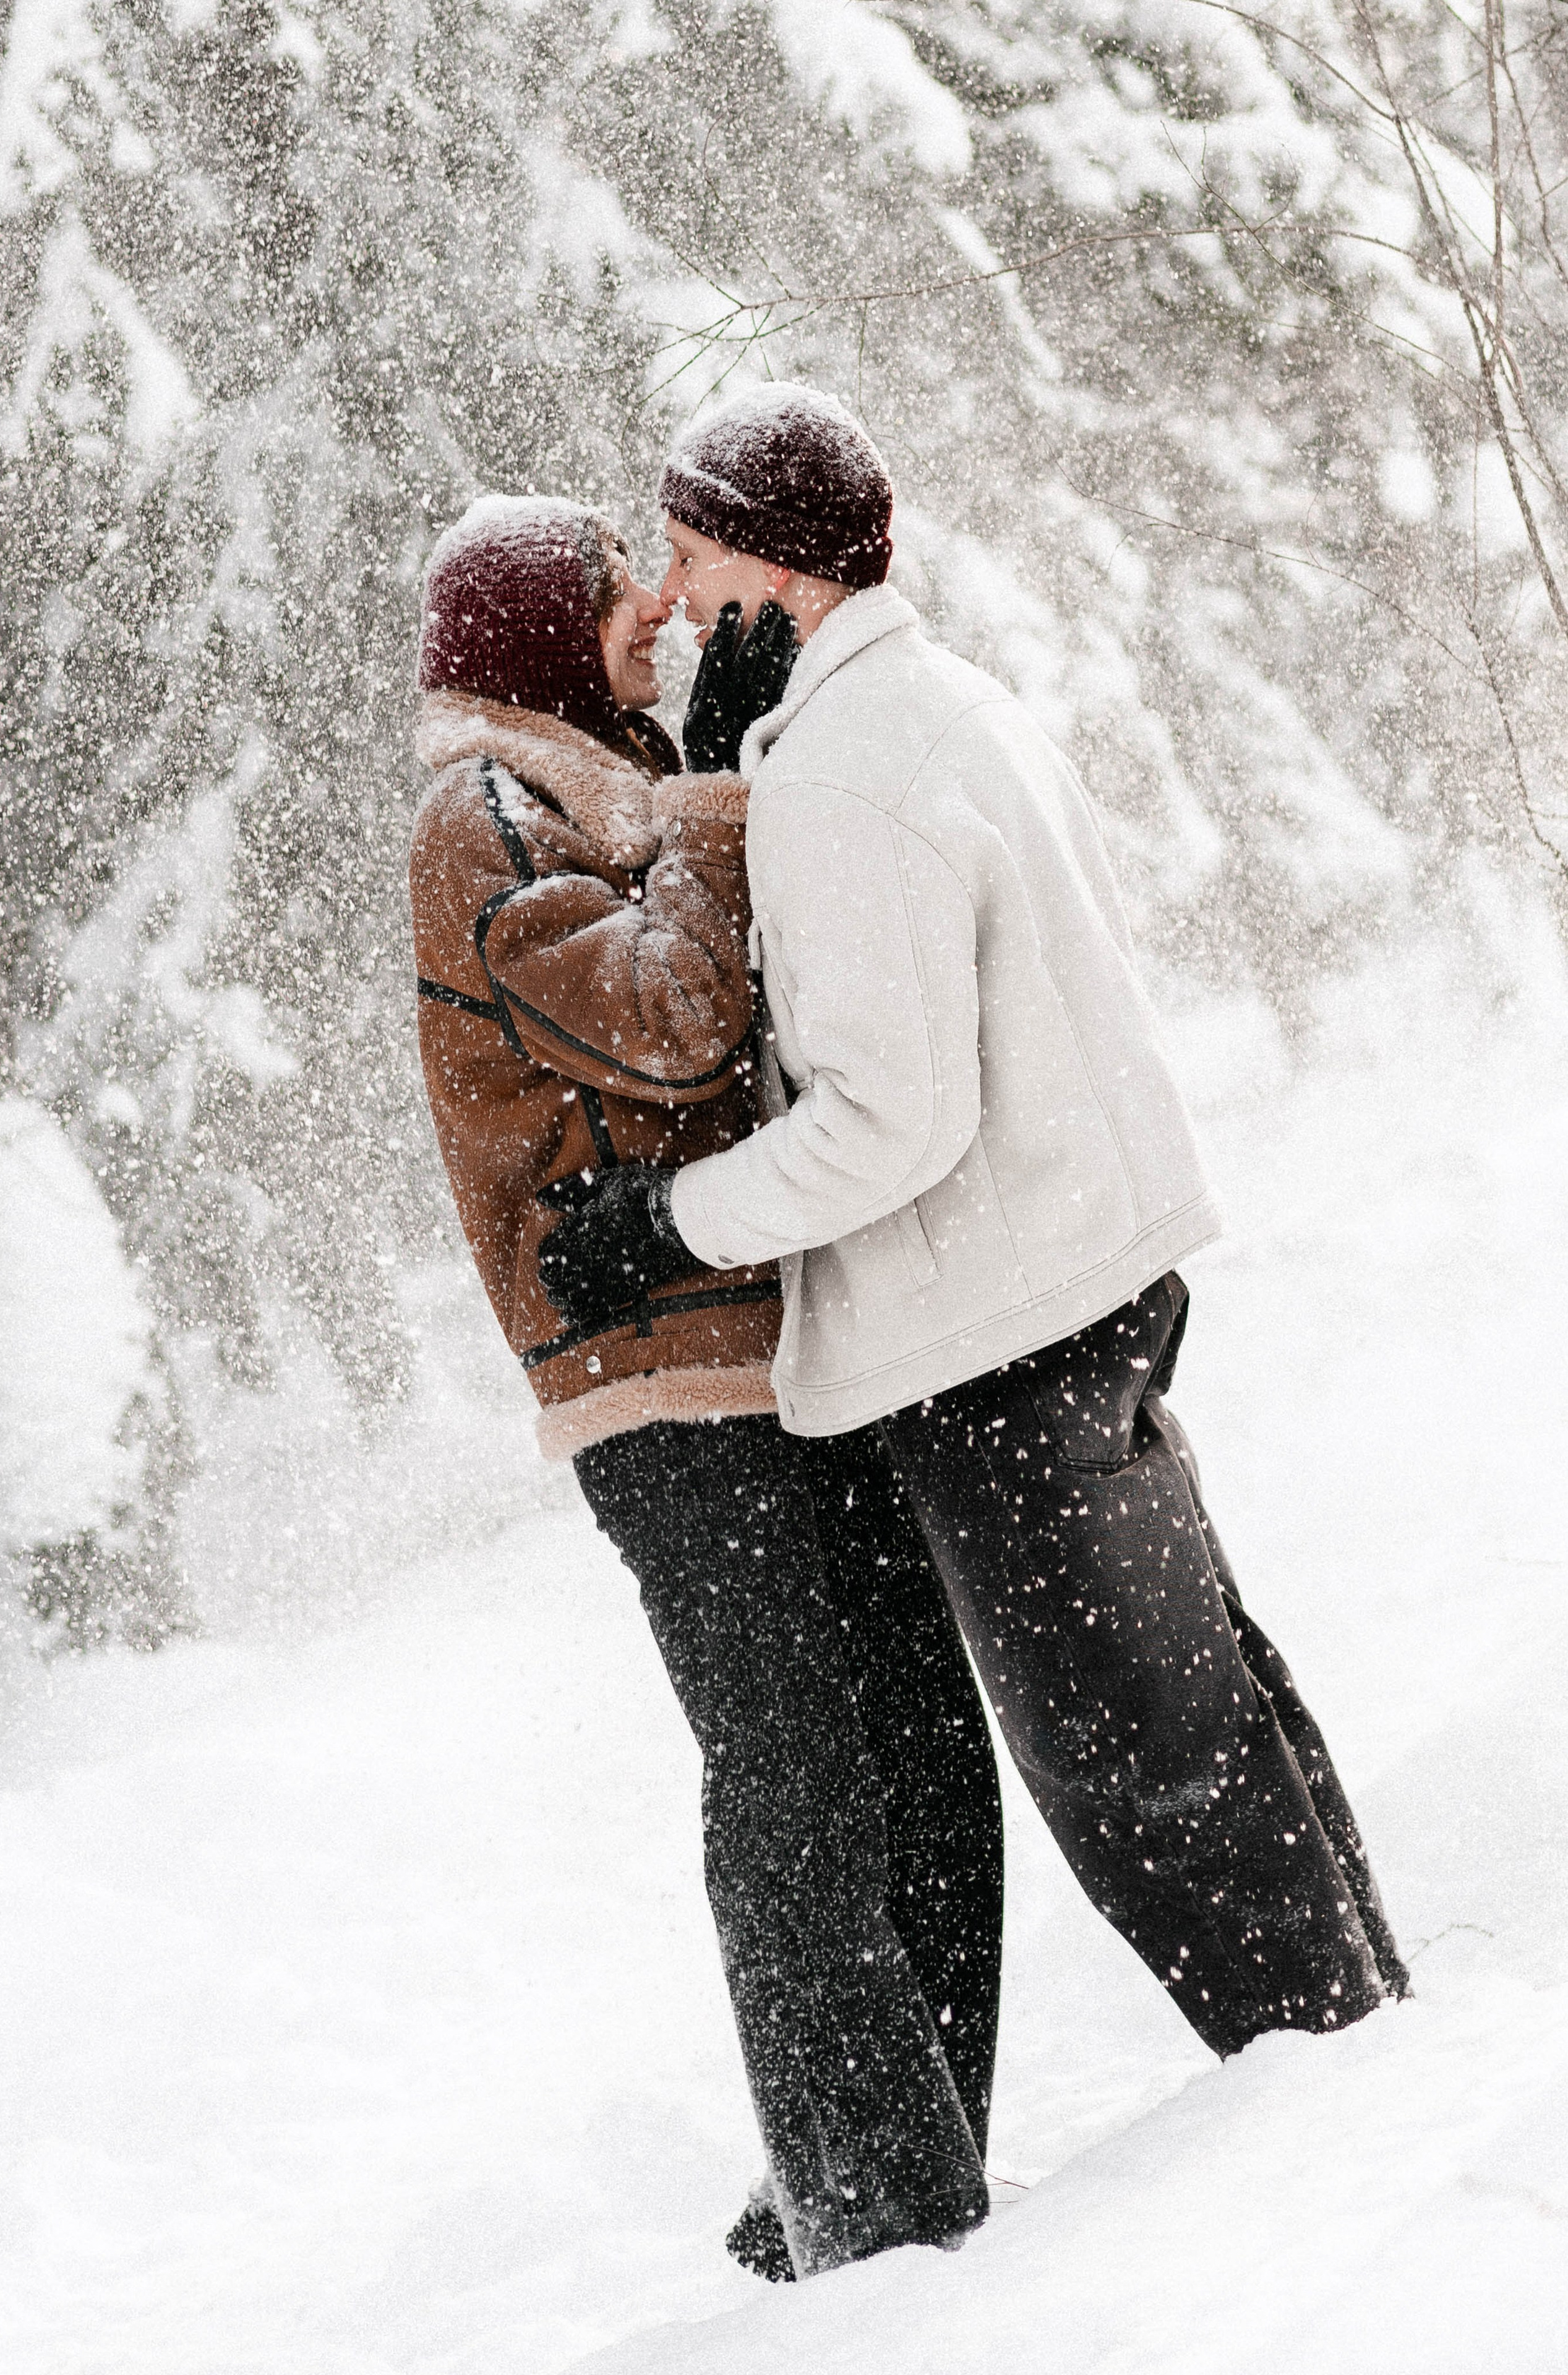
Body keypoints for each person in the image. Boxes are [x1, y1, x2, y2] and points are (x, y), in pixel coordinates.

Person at [538, 388, 1411, 2064]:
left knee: (1142, 1765)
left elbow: (892, 1117)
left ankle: (1337, 2091)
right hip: (1083, 1279)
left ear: (782, 574)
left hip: (999, 1331)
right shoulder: (938, 706)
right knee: (1208, 1706)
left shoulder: (849, 779)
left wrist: (671, 1221)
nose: (675, 597)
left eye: (695, 553)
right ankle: (1366, 2040)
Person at [408, 495, 1004, 2282]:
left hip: (767, 1345)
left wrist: (697, 787)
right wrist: (722, 797)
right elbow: (670, 1016)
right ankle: (870, 2214)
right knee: (801, 1775)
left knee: (918, 1750)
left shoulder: (606, 784)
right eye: (620, 595)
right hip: (656, 1385)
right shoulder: (485, 815)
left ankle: (896, 2180)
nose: (663, 613)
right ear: (533, 631)